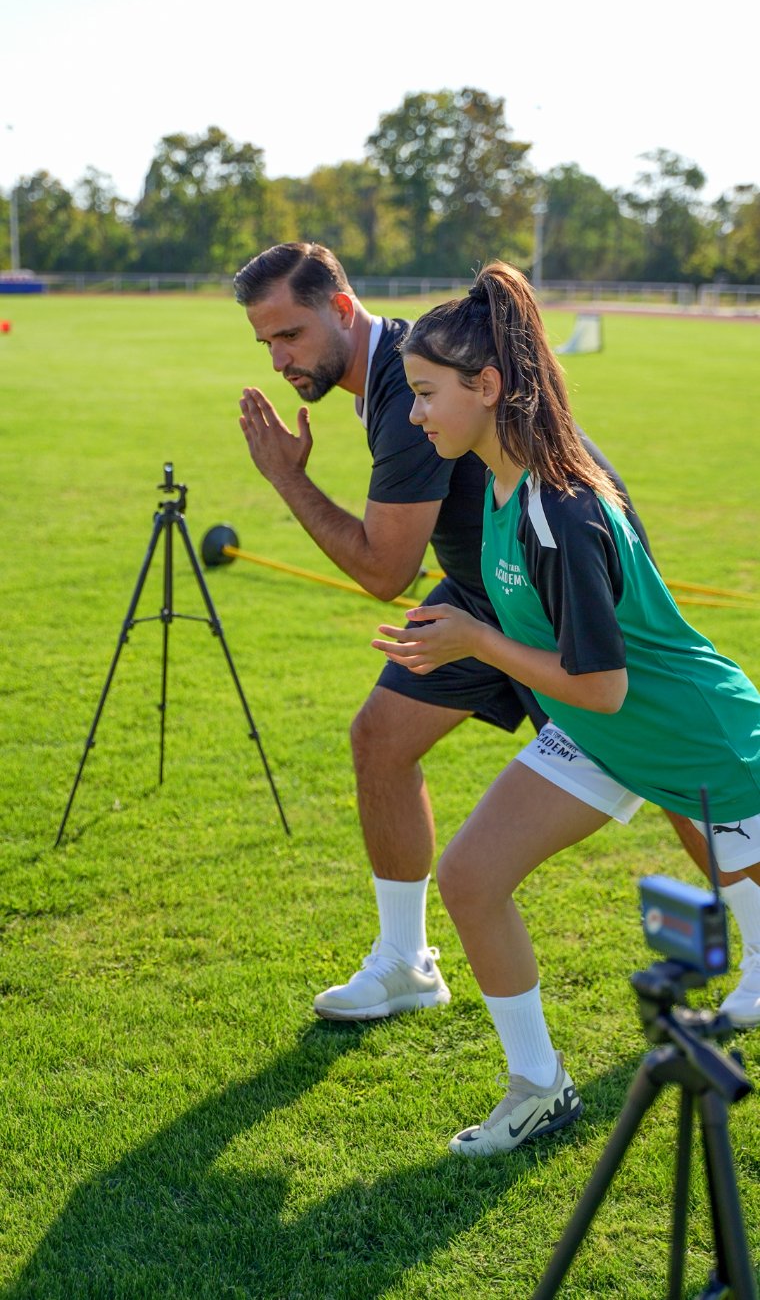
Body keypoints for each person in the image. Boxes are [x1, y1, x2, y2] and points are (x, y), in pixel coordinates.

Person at [233, 242, 760, 1030]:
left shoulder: (411, 386)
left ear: (341, 309)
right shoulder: (405, 373)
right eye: (266, 342)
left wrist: (286, 476)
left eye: (290, 335)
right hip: (485, 590)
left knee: (668, 766)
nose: (279, 359)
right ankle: (405, 962)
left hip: (544, 589)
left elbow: (384, 569)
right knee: (380, 737)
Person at [371, 260, 760, 1156]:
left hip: (698, 738)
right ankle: (539, 1086)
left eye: (426, 394)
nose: (415, 414)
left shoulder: (561, 508)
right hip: (600, 734)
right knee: (471, 877)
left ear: (488, 386)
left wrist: (476, 639)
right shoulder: (498, 481)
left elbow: (605, 683)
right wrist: (465, 627)